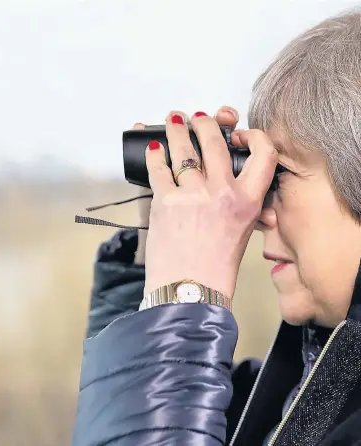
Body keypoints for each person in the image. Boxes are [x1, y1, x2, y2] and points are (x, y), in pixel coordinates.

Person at [72, 9, 361, 446]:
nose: (261, 214)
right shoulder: (310, 396)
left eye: (277, 175)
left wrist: (186, 299)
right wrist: (159, 263)